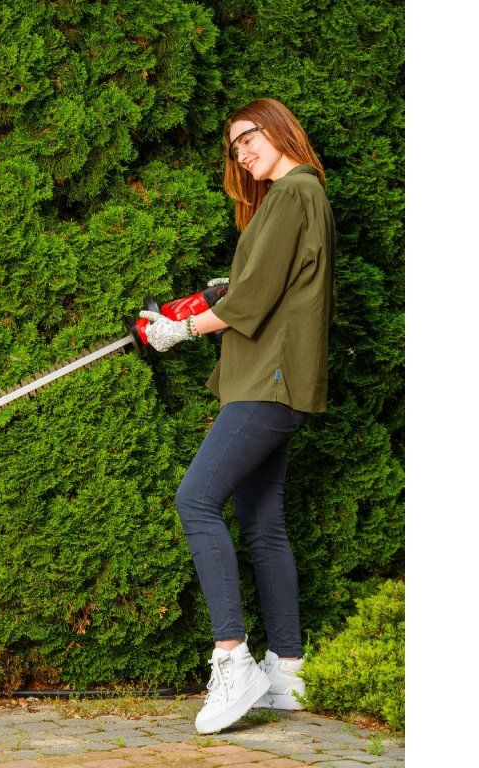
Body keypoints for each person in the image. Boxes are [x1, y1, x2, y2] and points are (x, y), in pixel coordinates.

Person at [139, 98, 336, 735]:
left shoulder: (293, 191)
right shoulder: (296, 196)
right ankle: (287, 671)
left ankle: (233, 659)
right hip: (274, 379)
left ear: (279, 128)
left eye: (248, 137)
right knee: (262, 521)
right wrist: (218, 295)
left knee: (196, 499)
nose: (242, 152)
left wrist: (182, 328)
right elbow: (261, 284)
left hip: (268, 381)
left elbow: (254, 297)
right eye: (234, 146)